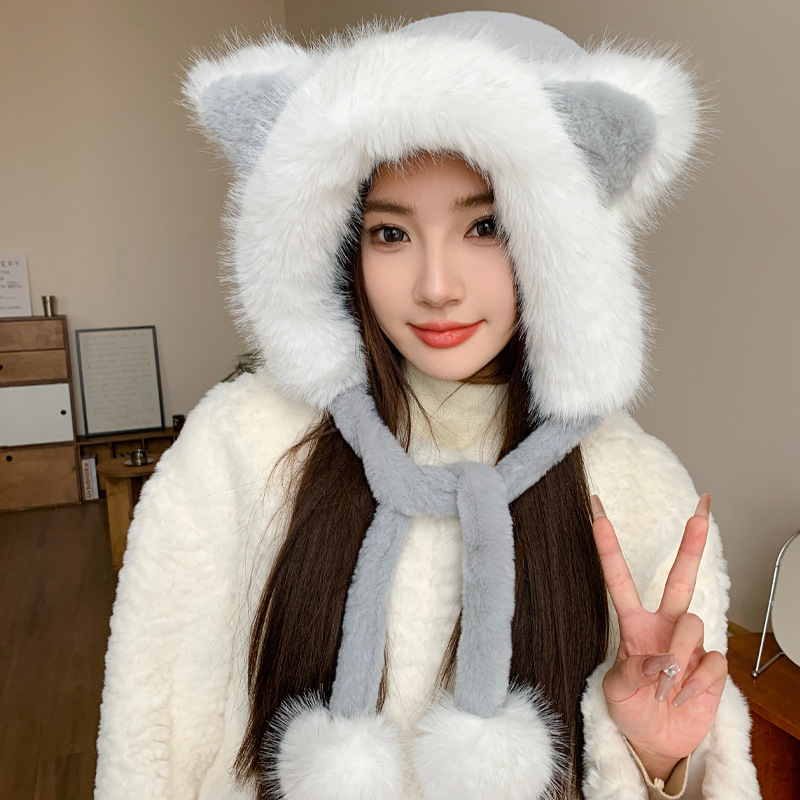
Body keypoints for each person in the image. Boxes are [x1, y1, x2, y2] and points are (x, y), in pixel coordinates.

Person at [94, 12, 760, 800]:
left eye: (485, 225)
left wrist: (655, 761)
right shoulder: (241, 446)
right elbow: (151, 743)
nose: (437, 286)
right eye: (390, 234)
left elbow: (694, 764)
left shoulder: (635, 488)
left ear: (565, 244)